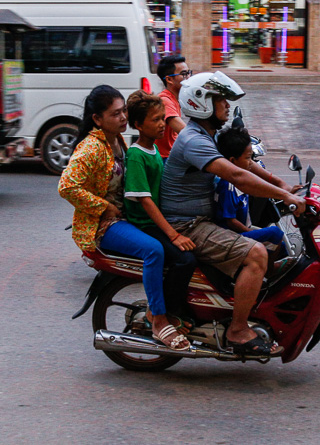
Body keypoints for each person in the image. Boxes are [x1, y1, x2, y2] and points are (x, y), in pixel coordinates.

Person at [159, 71, 305, 357]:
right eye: (220, 100)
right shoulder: (194, 141)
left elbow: (245, 162)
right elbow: (237, 174)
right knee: (257, 254)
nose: (226, 106)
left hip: (202, 219)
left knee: (270, 245)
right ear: (201, 103)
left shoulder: (207, 136)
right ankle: (237, 330)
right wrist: (284, 196)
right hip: (188, 225)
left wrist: (281, 184)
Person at [58, 85, 189, 351]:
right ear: (97, 119)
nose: (122, 118)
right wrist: (102, 206)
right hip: (104, 225)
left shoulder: (117, 140)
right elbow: (66, 186)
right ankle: (159, 319)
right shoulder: (91, 147)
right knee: (153, 251)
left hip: (123, 219)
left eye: (123, 112)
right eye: (116, 114)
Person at [123, 90, 198, 333]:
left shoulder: (154, 150)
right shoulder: (136, 155)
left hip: (159, 221)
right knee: (185, 259)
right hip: (145, 224)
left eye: (162, 118)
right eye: (155, 120)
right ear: (138, 125)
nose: (161, 125)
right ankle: (163, 311)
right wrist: (173, 234)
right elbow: (145, 200)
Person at [215, 124, 299, 272]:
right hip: (232, 234)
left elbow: (262, 188)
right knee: (275, 233)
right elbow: (230, 220)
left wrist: (288, 192)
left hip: (244, 228)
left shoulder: (244, 178)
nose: (250, 163)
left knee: (284, 248)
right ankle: (268, 272)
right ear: (233, 160)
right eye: (248, 158)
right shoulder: (227, 185)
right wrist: (249, 234)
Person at [155, 55, 191, 163]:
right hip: (165, 159)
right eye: (184, 74)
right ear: (169, 79)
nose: (188, 77)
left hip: (173, 153)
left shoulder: (176, 98)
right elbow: (184, 131)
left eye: (189, 73)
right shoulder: (165, 100)